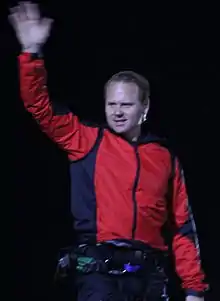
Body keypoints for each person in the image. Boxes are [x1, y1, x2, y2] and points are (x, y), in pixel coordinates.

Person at [10, 2, 208, 301]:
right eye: (111, 104)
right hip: (99, 277)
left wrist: (194, 289)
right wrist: (31, 52)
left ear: (144, 108)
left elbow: (182, 228)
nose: (117, 112)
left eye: (126, 104)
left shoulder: (165, 157)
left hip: (150, 279)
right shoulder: (87, 139)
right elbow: (39, 105)